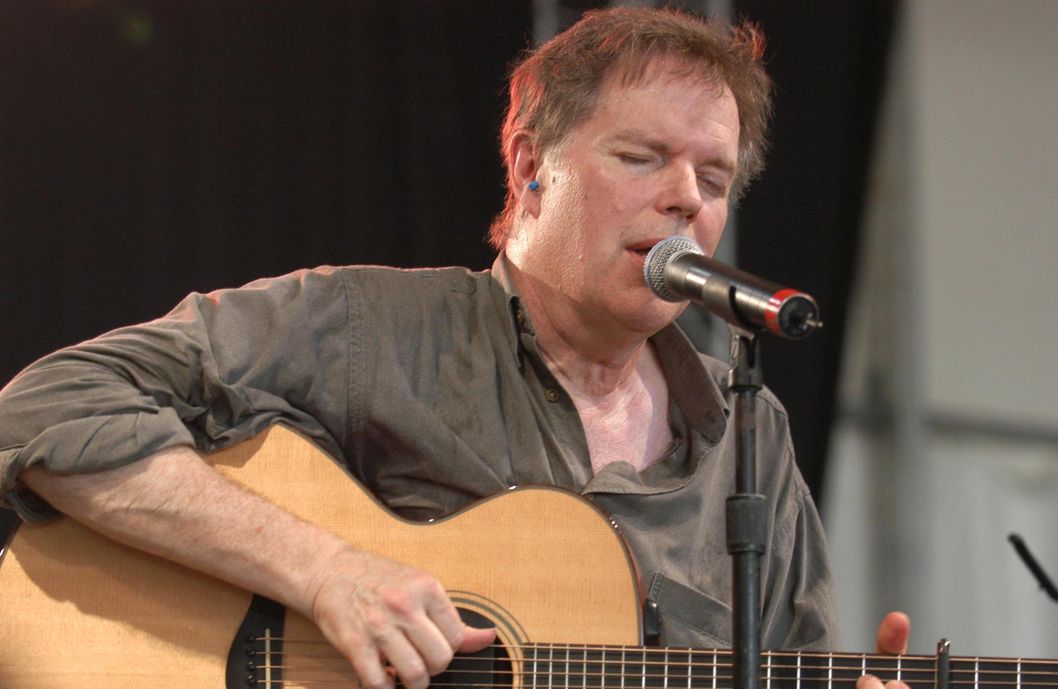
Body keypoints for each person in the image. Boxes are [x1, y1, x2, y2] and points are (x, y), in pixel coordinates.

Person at [0, 7, 910, 689]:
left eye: (712, 177)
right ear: (528, 166)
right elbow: (43, 407)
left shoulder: (752, 437)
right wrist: (326, 571)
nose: (686, 200)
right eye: (643, 157)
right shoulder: (367, 331)